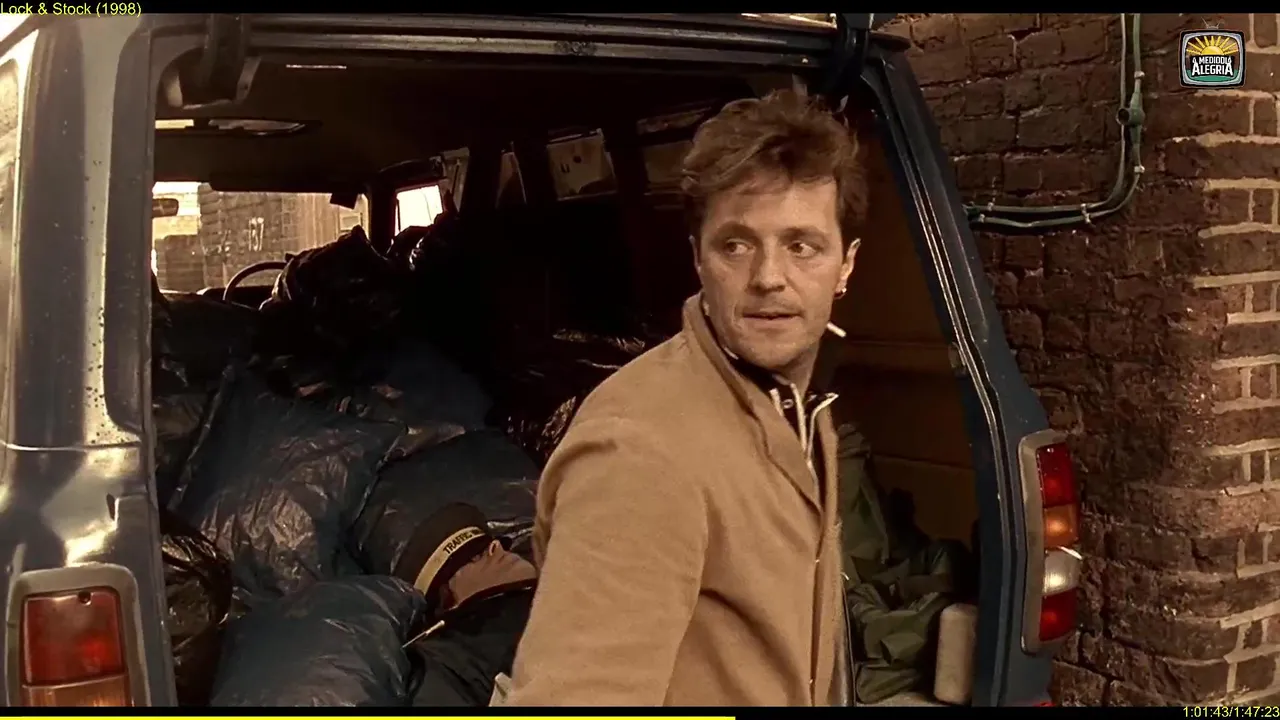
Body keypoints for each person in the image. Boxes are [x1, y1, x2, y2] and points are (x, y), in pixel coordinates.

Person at [503, 86, 867, 706]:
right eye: (736, 244)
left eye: (801, 246)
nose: (769, 277)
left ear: (846, 265)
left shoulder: (798, 404)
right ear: (698, 259)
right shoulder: (640, 452)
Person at [395, 503, 538, 707]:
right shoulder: (452, 663)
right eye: (476, 556)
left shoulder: (564, 584)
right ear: (449, 601)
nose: (497, 546)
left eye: (492, 543)